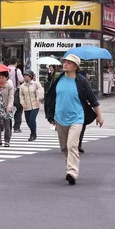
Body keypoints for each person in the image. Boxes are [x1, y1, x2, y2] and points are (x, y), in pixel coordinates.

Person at [44, 54, 104, 185]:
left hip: (77, 118)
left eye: (69, 63)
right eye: (65, 62)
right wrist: (50, 116)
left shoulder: (81, 81)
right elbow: (50, 98)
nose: (65, 64)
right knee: (64, 147)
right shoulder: (58, 79)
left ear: (76, 66)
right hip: (60, 119)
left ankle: (72, 172)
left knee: (72, 145)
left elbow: (92, 99)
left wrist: (99, 115)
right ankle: (69, 167)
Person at [19, 70, 44, 142]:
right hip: (27, 106)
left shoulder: (36, 84)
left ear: (30, 76)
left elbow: (41, 91)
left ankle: (33, 134)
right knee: (28, 121)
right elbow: (21, 96)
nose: (25, 77)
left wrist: (38, 95)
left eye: (26, 76)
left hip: (35, 105)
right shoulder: (22, 86)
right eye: (24, 76)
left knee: (32, 119)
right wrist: (23, 103)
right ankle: (33, 131)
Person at [0, 71, 15, 148]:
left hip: (6, 108)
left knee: (7, 125)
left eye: (3, 78)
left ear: (6, 78)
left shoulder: (9, 86)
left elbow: (11, 97)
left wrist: (9, 105)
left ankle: (7, 141)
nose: (1, 79)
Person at [7, 58, 24, 133]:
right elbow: (21, 80)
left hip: (6, 92)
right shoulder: (17, 70)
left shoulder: (5, 69)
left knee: (7, 109)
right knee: (19, 109)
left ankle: (8, 126)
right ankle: (16, 127)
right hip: (16, 92)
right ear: (16, 63)